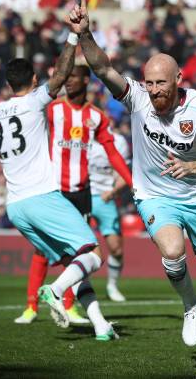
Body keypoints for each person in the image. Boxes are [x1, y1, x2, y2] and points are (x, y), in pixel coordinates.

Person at [72, 0, 196, 367]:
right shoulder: (138, 100)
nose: (153, 91)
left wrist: (193, 167)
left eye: (160, 83)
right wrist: (86, 35)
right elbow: (103, 68)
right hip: (154, 195)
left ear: (178, 79)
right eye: (148, 83)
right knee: (172, 252)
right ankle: (189, 306)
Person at [0, 18, 117, 341]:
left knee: (75, 261)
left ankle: (101, 325)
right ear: (33, 79)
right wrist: (73, 36)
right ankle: (56, 292)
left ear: (7, 85)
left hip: (15, 207)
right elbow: (59, 75)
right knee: (94, 254)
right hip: (43, 197)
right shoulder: (35, 101)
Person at [14, 64, 132, 324]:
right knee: (42, 250)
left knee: (79, 251)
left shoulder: (97, 117)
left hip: (81, 192)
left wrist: (131, 181)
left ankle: (70, 306)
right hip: (53, 192)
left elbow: (113, 152)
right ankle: (31, 306)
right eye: (65, 78)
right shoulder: (53, 109)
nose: (67, 82)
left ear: (86, 81)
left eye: (73, 78)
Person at [88, 129, 130, 301]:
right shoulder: (80, 138)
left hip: (106, 198)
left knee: (116, 248)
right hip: (83, 197)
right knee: (80, 248)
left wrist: (112, 191)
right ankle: (79, 287)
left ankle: (112, 286)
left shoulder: (118, 141)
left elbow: (123, 173)